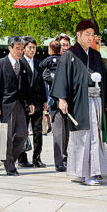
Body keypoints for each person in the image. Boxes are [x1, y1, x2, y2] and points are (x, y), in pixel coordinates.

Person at [50, 19, 107, 186]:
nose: (90, 37)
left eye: (92, 34)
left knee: (96, 135)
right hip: (80, 101)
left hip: (96, 99)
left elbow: (105, 79)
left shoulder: (95, 55)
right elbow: (62, 77)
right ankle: (86, 173)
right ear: (78, 35)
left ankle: (91, 171)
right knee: (83, 136)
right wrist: (62, 99)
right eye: (87, 34)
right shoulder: (69, 54)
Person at [0, 36, 35, 176]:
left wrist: (30, 102)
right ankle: (10, 166)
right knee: (7, 136)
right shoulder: (0, 64)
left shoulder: (22, 64)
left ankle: (9, 159)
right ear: (10, 48)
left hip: (20, 104)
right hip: (6, 104)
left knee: (22, 134)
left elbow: (27, 86)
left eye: (22, 49)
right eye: (17, 49)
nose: (20, 52)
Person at [17, 36, 47, 168]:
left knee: (38, 131)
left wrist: (45, 100)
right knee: (22, 131)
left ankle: (37, 158)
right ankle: (22, 158)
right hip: (24, 102)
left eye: (34, 47)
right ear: (24, 49)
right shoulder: (19, 62)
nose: (32, 50)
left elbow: (42, 84)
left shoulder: (39, 64)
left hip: (38, 101)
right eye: (29, 47)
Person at [40, 40, 68, 171]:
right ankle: (59, 162)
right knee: (59, 132)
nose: (64, 48)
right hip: (56, 102)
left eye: (67, 45)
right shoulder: (56, 65)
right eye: (63, 45)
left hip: (68, 101)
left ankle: (66, 159)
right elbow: (45, 75)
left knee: (66, 133)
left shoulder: (66, 61)